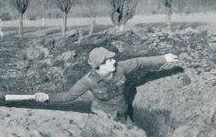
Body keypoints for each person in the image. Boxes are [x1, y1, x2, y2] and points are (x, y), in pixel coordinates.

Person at [34, 47, 178, 122]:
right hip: (102, 118)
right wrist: (47, 97)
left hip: (123, 115)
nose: (113, 61)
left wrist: (164, 58)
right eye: (108, 60)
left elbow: (139, 62)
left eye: (112, 58)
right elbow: (68, 96)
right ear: (98, 66)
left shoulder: (120, 67)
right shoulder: (88, 80)